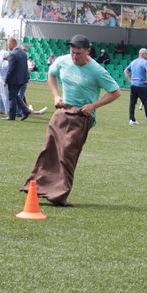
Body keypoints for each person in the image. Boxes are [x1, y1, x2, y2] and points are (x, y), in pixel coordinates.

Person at [20, 34, 120, 206]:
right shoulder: (62, 61)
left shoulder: (97, 70)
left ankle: (58, 195)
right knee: (48, 149)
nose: (74, 56)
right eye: (72, 52)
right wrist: (55, 96)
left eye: (79, 53)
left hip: (82, 115)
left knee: (67, 153)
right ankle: (36, 188)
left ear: (88, 51)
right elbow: (51, 75)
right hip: (62, 109)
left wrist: (94, 106)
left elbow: (115, 92)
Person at [124, 47, 147, 126]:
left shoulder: (133, 62)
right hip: (142, 85)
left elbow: (125, 70)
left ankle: (132, 120)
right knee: (146, 103)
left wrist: (129, 79)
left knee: (132, 103)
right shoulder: (145, 62)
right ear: (142, 54)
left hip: (133, 85)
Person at [3, 37, 31, 121]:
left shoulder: (12, 54)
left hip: (13, 80)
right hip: (21, 79)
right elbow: (25, 67)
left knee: (12, 96)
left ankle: (13, 115)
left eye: (8, 44)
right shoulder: (23, 53)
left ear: (12, 43)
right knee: (15, 96)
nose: (8, 46)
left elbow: (10, 69)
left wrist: (6, 80)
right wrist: (27, 78)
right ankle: (24, 110)